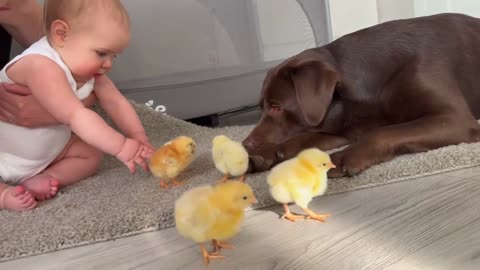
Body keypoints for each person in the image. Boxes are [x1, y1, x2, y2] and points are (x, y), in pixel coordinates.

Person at [0, 0, 154, 212]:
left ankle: (47, 177)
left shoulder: (89, 71)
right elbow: (75, 115)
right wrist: (121, 146)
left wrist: (138, 136)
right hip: (5, 153)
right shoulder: (40, 65)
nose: (108, 64)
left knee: (90, 154)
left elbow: (116, 101)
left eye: (113, 56)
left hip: (47, 152)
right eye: (101, 53)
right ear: (61, 34)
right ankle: (4, 195)